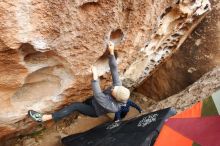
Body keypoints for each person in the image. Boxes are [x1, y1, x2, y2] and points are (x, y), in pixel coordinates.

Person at [28, 41, 141, 123]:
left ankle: (44, 118)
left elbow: (98, 94)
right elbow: (114, 70)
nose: (113, 88)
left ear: (116, 98)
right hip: (94, 101)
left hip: (94, 110)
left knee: (75, 106)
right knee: (87, 100)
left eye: (114, 91)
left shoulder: (113, 107)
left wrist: (95, 76)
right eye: (115, 87)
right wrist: (111, 53)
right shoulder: (118, 88)